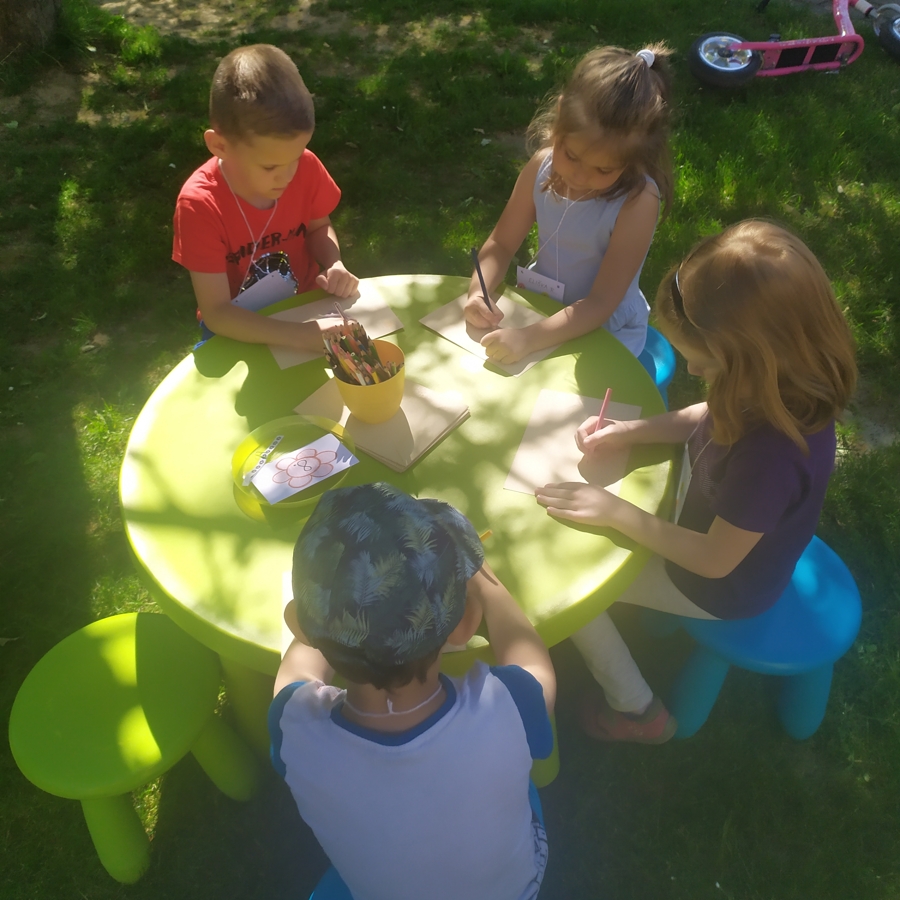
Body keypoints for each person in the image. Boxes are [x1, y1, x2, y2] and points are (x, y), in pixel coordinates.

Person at [535, 220, 857, 743]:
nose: (692, 370)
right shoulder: (771, 384)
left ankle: (637, 708)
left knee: (569, 590)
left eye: (703, 363)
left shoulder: (773, 455)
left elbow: (712, 560)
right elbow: (707, 414)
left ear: (749, 358)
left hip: (716, 587)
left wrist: (615, 511)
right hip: (698, 525)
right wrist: (632, 431)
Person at [270, 482, 557, 900]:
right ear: (465, 623)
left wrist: (329, 619)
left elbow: (295, 672)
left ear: (297, 625)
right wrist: (486, 587)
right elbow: (535, 665)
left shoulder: (292, 727)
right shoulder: (508, 705)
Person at [464, 44, 673, 363]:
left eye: (603, 170)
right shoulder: (541, 166)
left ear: (634, 158)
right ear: (560, 117)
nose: (579, 176)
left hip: (604, 328)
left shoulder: (637, 202)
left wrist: (528, 338)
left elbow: (601, 302)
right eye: (571, 156)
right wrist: (478, 292)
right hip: (541, 307)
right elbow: (501, 244)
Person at [172, 44, 358, 349]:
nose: (287, 176)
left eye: (295, 157)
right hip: (240, 327)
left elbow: (319, 227)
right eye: (269, 167)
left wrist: (334, 263)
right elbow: (217, 313)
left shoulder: (307, 167)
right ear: (220, 146)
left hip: (305, 308)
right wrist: (303, 337)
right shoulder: (200, 205)